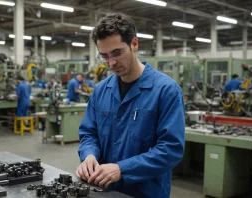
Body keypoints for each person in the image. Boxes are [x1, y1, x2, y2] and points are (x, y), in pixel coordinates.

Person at [76, 13, 185, 198]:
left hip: (146, 191)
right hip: (103, 190)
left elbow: (170, 148)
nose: (111, 63)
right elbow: (89, 133)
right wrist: (89, 155)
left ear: (134, 44)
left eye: (117, 53)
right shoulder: (101, 90)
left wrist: (122, 169)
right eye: (104, 56)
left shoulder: (166, 91)